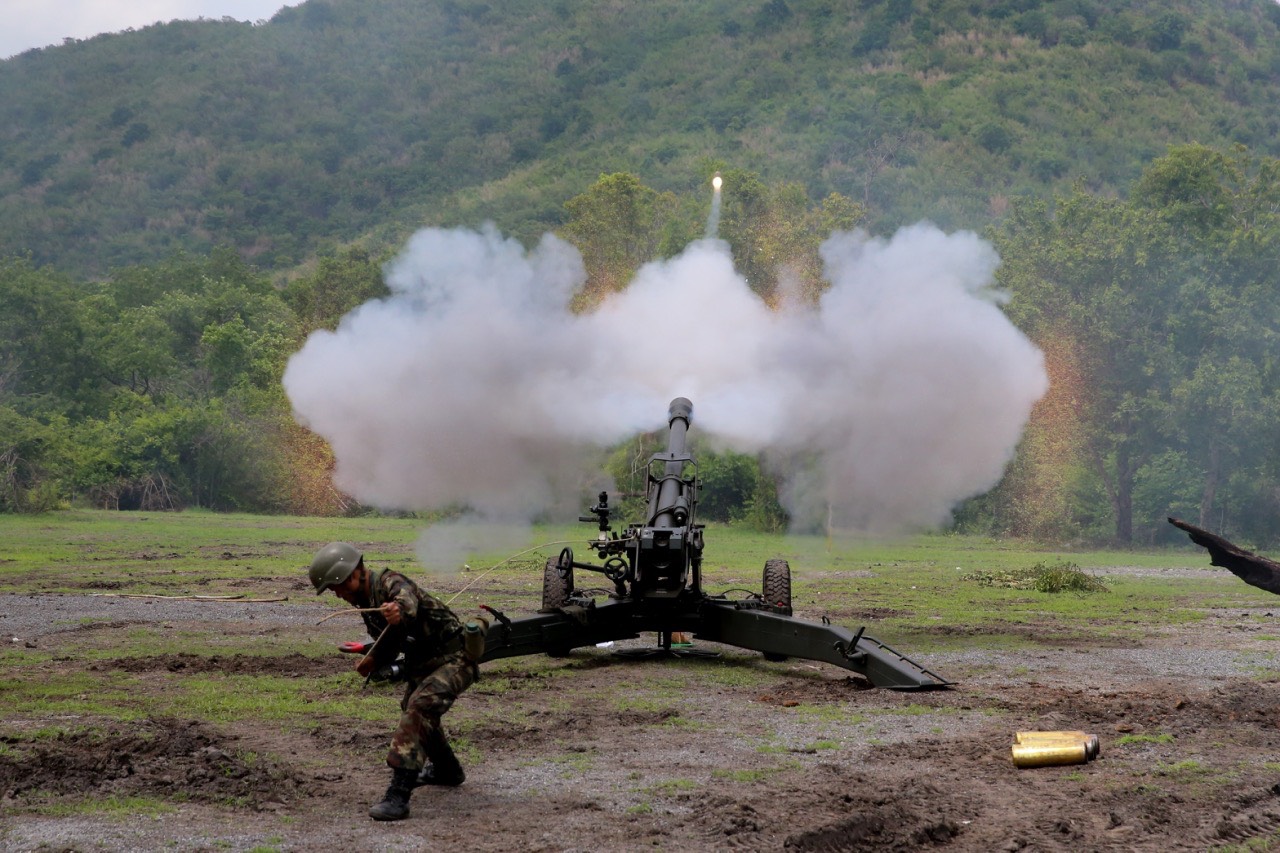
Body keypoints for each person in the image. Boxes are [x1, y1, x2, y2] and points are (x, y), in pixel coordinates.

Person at [309, 541, 478, 822]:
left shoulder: (391, 582)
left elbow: (405, 602)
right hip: (427, 663)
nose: (337, 595)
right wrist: (372, 658)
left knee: (419, 709)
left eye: (336, 586)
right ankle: (448, 771)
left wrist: (397, 610)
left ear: (351, 574)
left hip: (456, 658)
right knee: (415, 708)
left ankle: (398, 797)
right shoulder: (367, 600)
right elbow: (391, 640)